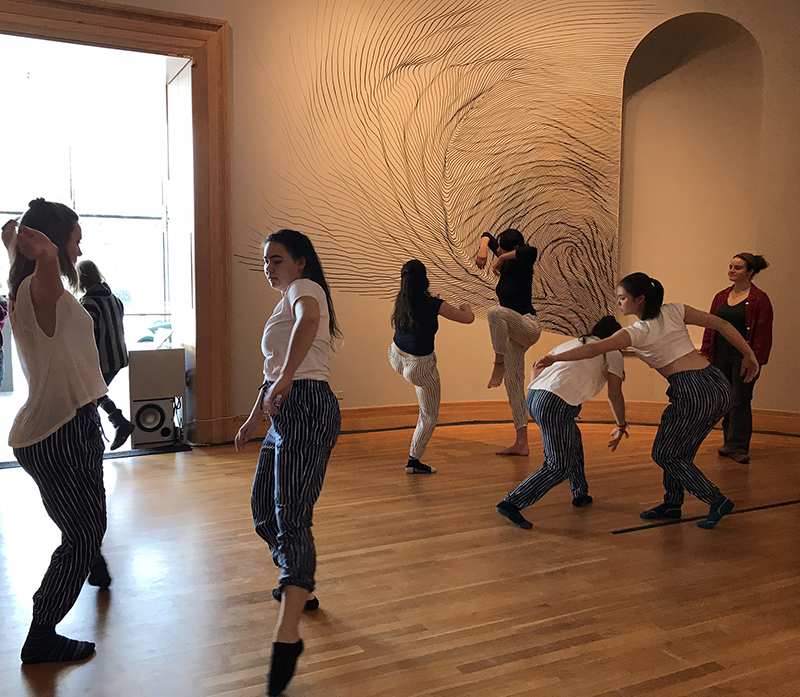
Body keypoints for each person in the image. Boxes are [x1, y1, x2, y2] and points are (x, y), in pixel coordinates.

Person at [534, 272, 760, 530]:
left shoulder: (637, 332)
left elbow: (594, 348)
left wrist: (555, 358)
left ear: (639, 299)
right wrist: (749, 355)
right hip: (716, 383)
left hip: (693, 389)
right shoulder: (675, 310)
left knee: (665, 454)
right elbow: (722, 324)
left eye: (622, 298)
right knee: (678, 452)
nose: (619, 303)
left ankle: (716, 500)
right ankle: (672, 504)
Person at [234, 229, 341, 697]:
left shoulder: (305, 290)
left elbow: (310, 320)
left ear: (300, 262)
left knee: (292, 519)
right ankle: (300, 582)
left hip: (307, 403)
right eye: (265, 262)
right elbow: (273, 373)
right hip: (284, 411)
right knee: (264, 511)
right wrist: (255, 420)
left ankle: (288, 635)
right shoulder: (283, 303)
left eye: (276, 260)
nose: (269, 268)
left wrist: (287, 379)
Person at [6, 199, 111, 665]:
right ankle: (42, 633)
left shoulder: (27, 286)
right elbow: (46, 274)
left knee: (88, 528)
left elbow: (22, 247)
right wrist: (46, 256)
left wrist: (15, 240)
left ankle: (87, 570)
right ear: (52, 243)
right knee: (83, 535)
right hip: (60, 431)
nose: (80, 245)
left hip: (70, 424)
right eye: (75, 238)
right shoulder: (38, 287)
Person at [497, 316, 627, 529]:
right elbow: (615, 393)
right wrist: (621, 424)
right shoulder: (611, 350)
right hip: (556, 403)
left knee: (572, 438)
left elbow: (537, 367)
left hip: (536, 395)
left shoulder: (574, 343)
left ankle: (580, 493)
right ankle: (512, 502)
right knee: (557, 466)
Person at [389, 260, 474, 474]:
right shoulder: (433, 304)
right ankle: (413, 461)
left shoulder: (402, 299)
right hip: (420, 367)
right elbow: (468, 318)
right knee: (429, 414)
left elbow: (421, 310)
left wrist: (434, 304)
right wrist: (466, 306)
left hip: (396, 357)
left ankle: (414, 460)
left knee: (423, 398)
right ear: (424, 279)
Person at [700, 254, 772, 464]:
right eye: (730, 266)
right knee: (726, 398)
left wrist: (754, 360)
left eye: (738, 268)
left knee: (741, 399)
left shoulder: (760, 299)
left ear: (750, 272)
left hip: (743, 356)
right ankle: (728, 443)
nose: (731, 270)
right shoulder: (721, 296)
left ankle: (739, 446)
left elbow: (763, 334)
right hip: (720, 353)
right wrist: (706, 352)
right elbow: (710, 324)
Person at [476, 228, 541, 456]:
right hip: (514, 332)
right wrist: (484, 250)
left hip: (528, 325)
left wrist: (501, 258)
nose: (498, 250)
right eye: (498, 248)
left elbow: (530, 251)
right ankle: (521, 443)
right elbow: (486, 235)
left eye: (502, 248)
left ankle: (498, 363)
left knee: (495, 312)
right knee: (513, 383)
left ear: (512, 249)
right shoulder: (506, 254)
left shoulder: (523, 261)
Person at [77, 259, 134, 450]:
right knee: (95, 392)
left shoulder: (88, 303)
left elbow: (86, 337)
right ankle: (117, 423)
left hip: (102, 360)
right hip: (119, 358)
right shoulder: (115, 299)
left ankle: (98, 436)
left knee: (90, 394)